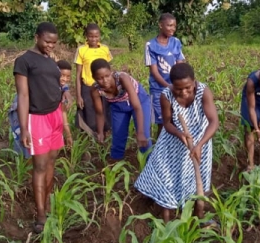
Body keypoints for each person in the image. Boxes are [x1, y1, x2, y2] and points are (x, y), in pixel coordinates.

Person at [134, 63, 219, 226]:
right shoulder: (166, 95)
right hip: (172, 142)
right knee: (166, 177)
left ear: (194, 82)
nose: (184, 92)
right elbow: (167, 123)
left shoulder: (203, 92)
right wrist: (181, 134)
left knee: (196, 179)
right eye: (179, 89)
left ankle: (198, 215)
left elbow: (214, 121)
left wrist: (199, 144)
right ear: (172, 85)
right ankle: (166, 222)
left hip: (201, 140)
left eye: (187, 87)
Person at [13, 22, 69, 234]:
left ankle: (46, 202)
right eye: (47, 41)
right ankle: (40, 214)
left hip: (55, 115)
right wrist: (24, 127)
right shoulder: (24, 61)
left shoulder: (49, 60)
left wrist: (65, 92)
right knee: (40, 165)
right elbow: (23, 95)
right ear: (36, 37)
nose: (50, 46)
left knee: (52, 161)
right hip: (37, 119)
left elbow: (55, 83)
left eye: (54, 43)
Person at [8, 59, 73, 159]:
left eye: (68, 76)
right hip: (22, 110)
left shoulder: (61, 88)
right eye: (62, 75)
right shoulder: (45, 84)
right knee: (25, 140)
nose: (64, 79)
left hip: (35, 113)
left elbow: (62, 111)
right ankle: (23, 163)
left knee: (35, 144)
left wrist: (68, 135)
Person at [89, 58, 151, 161]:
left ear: (111, 72)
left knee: (144, 136)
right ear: (94, 78)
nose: (105, 81)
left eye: (107, 76)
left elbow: (137, 107)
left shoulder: (122, 78)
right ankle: (115, 166)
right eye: (100, 78)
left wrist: (139, 132)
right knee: (118, 137)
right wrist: (100, 132)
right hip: (118, 106)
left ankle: (148, 165)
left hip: (139, 101)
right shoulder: (95, 90)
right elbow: (99, 113)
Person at [144, 13, 185, 139]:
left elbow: (180, 64)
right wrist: (168, 86)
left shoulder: (176, 42)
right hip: (158, 90)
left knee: (176, 121)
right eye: (169, 25)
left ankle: (172, 150)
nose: (173, 28)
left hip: (176, 88)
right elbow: (154, 72)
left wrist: (178, 85)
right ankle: (159, 151)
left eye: (174, 26)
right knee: (162, 123)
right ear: (161, 25)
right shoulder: (150, 45)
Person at [75, 23, 113, 134]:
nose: (94, 39)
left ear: (100, 36)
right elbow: (78, 74)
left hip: (104, 86)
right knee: (89, 113)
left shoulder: (105, 49)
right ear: (86, 36)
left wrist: (112, 88)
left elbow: (110, 70)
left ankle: (103, 138)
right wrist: (78, 96)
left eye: (96, 36)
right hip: (88, 87)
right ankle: (89, 140)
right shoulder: (81, 50)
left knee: (105, 111)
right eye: (91, 36)